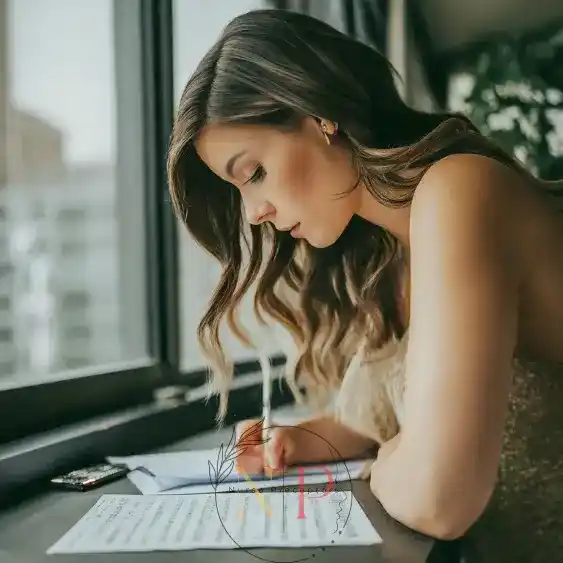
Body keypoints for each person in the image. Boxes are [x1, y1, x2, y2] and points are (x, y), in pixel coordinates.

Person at [167, 9, 563, 562]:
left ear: (320, 114)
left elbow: (438, 500)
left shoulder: (461, 191)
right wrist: (300, 440)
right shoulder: (389, 254)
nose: (253, 212)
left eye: (253, 173)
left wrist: (393, 463)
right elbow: (372, 419)